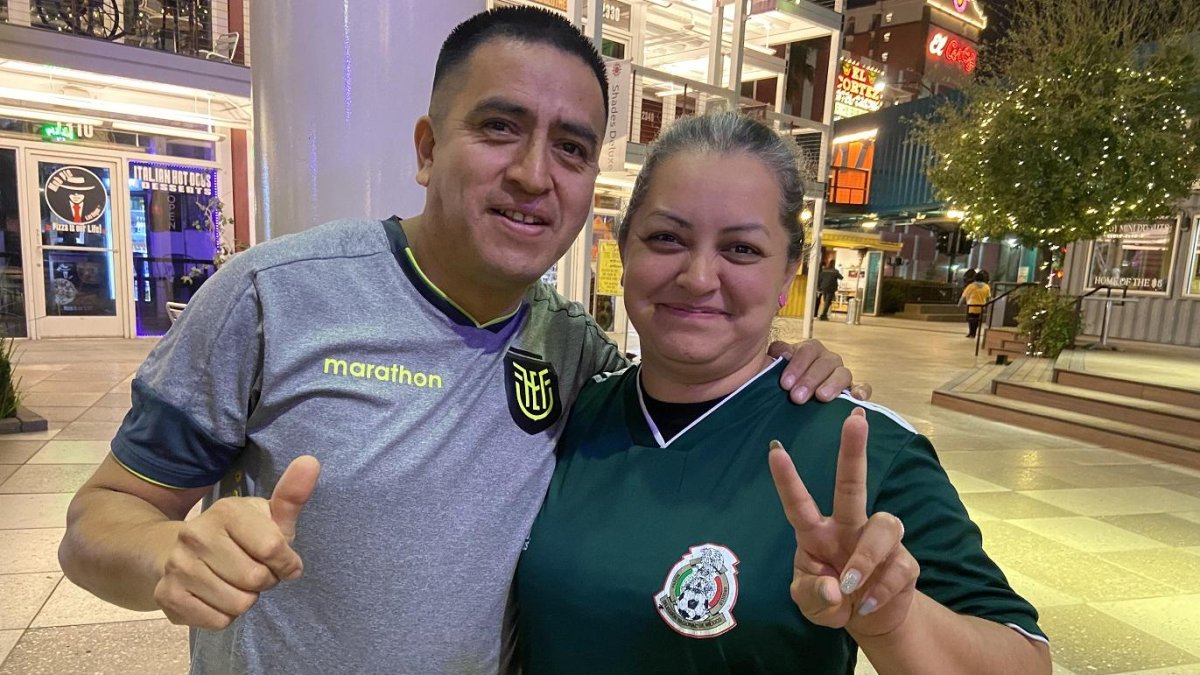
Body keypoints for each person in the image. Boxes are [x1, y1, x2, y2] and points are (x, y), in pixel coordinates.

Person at [57, 8, 861, 675]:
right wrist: (168, 555)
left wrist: (788, 364)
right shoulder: (275, 295)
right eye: (500, 127)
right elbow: (98, 520)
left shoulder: (575, 349)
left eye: (572, 147)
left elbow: (694, 391)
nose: (534, 173)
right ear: (427, 148)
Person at [516, 113, 1050, 674]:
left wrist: (891, 617)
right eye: (666, 238)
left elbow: (1024, 660)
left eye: (741, 249)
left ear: (789, 271)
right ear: (626, 250)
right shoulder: (570, 411)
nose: (698, 276)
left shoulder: (860, 446)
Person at [960, 269, 992, 338]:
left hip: (971, 305)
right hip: (981, 306)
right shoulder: (986, 287)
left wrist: (959, 304)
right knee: (977, 320)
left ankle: (971, 332)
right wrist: (987, 305)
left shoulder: (971, 286)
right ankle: (974, 333)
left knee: (970, 319)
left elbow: (964, 296)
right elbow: (988, 297)